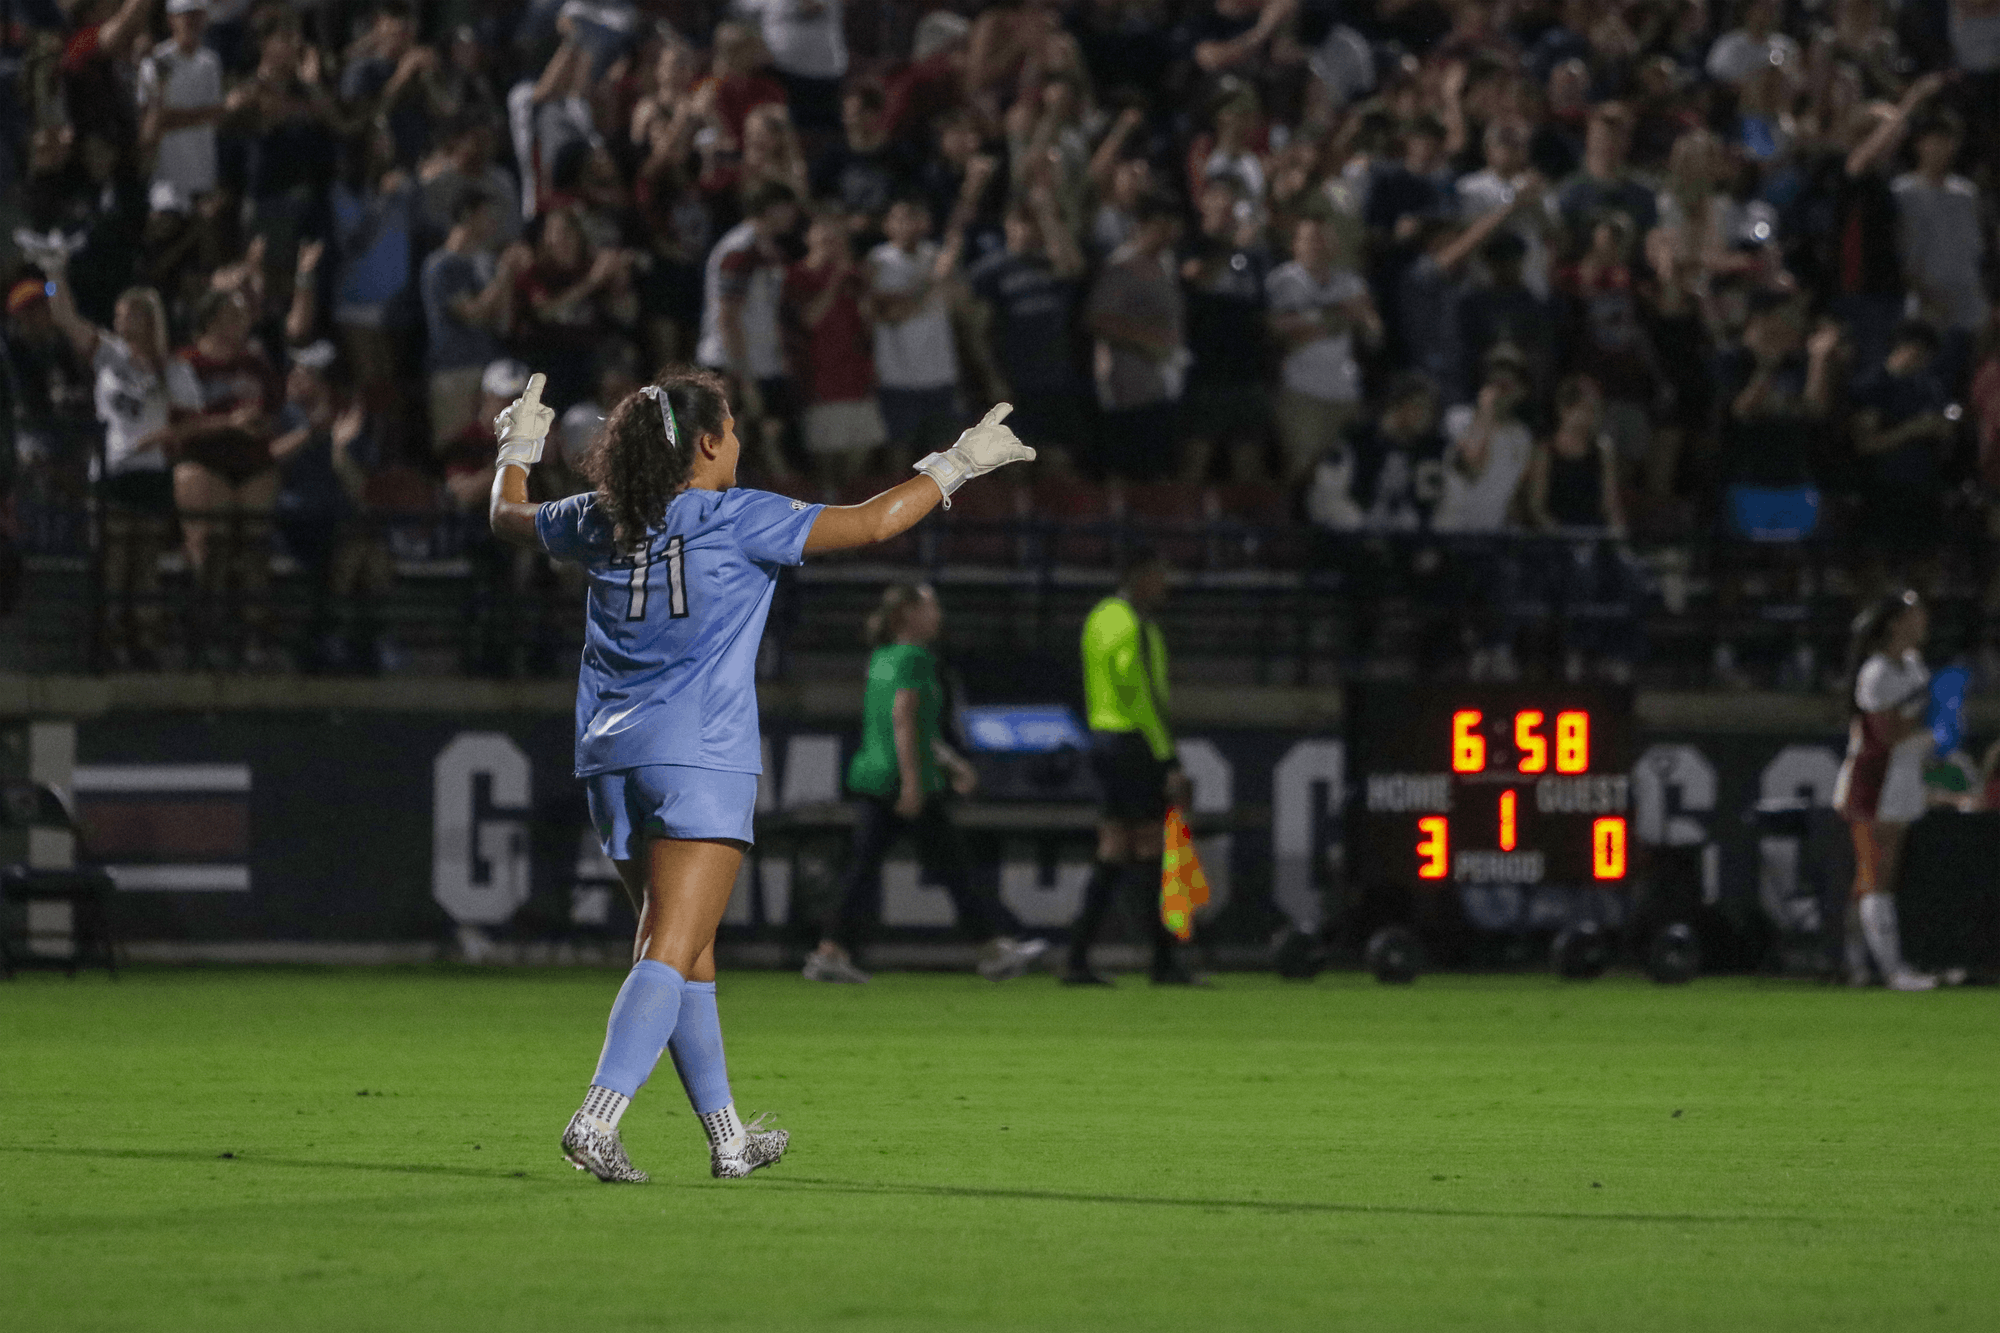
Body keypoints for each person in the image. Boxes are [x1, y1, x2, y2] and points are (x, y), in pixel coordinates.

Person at [485, 367, 1034, 1181]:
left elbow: (506, 516)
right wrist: (959, 461)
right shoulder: (740, 516)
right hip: (700, 756)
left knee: (688, 952)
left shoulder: (602, 517)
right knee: (669, 948)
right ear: (707, 443)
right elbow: (875, 522)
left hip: (609, 757)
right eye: (734, 428)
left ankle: (728, 1137)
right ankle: (598, 1116)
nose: (739, 440)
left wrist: (518, 447)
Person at [806, 584, 1049, 984]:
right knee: (953, 868)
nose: (938, 615)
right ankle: (992, 950)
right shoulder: (916, 658)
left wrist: (952, 764)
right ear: (907, 614)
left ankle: (829, 953)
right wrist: (914, 785)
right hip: (901, 780)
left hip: (874, 776)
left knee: (873, 869)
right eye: (931, 606)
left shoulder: (881, 657)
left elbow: (911, 726)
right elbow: (904, 720)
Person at [43, 262, 199, 668]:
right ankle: (108, 642)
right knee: (110, 564)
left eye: (126, 313)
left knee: (144, 567)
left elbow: (193, 422)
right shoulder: (109, 354)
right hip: (112, 473)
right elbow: (63, 316)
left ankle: (143, 644)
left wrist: (169, 438)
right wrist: (51, 276)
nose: (117, 320)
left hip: (150, 474)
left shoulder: (173, 367)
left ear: (148, 320)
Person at [1067, 547, 1197, 986]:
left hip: (1102, 741)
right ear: (1140, 577)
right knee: (1151, 850)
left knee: (1115, 850)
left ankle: (1077, 958)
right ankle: (1164, 962)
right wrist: (1169, 759)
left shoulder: (1100, 617)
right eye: (1160, 576)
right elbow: (1144, 696)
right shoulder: (1136, 626)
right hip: (1134, 746)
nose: (1165, 586)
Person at [1831, 589, 1948, 990]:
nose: (1924, 621)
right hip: (1874, 781)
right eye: (1916, 615)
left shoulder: (1914, 667)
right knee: (1876, 873)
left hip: (1902, 777)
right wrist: (1935, 728)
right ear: (1896, 624)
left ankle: (1855, 963)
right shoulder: (1877, 672)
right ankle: (1892, 970)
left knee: (1877, 874)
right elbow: (1887, 733)